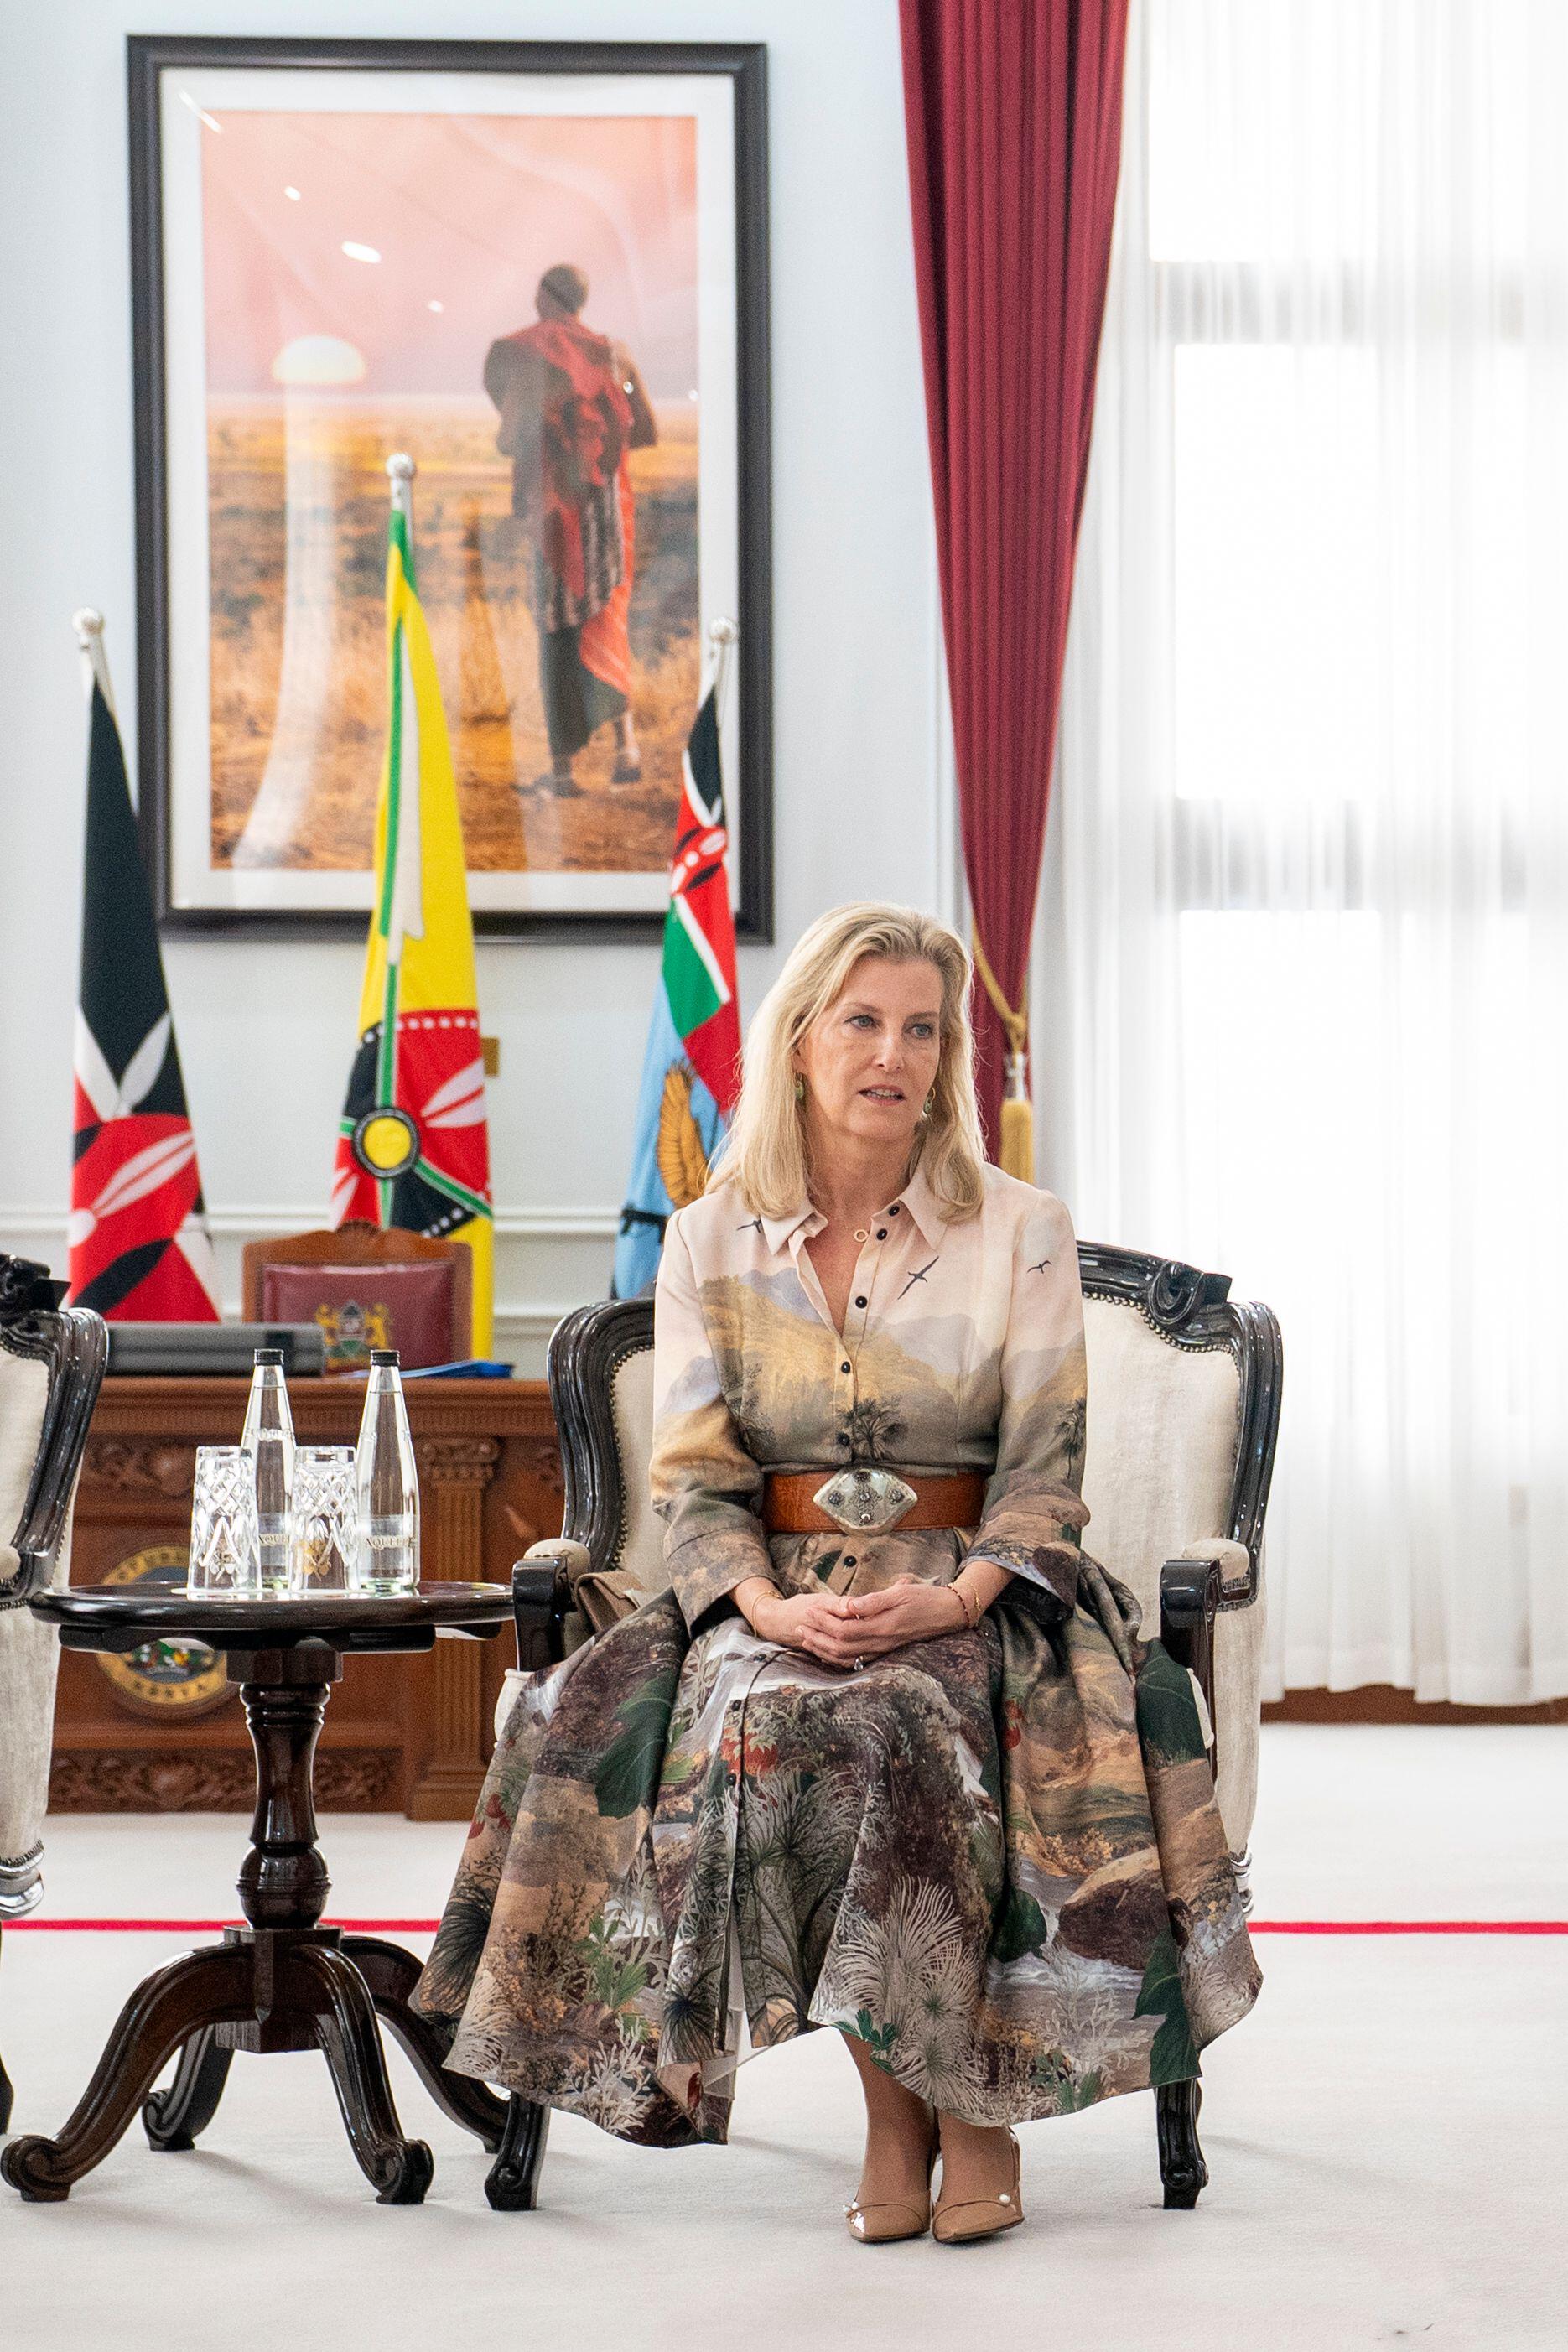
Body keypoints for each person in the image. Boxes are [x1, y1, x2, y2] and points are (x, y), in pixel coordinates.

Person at [413, 902, 1260, 2245]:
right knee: (768, 1719)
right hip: (772, 1579)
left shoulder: (1021, 1225)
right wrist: (761, 1605)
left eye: (923, 1029)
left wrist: (961, 1596)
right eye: (862, 1021)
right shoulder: (707, 1238)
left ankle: (969, 2104)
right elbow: (694, 1475)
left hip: (980, 1579)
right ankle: (896, 2104)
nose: (894, 1053)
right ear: (800, 1041)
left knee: (906, 1714)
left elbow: (1046, 1465)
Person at [483, 263, 657, 796]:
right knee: (605, 620)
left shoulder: (529, 354)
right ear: (582, 301)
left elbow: (510, 439)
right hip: (604, 508)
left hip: (558, 513)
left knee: (558, 630)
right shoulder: (615, 352)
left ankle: (562, 774)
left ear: (543, 296)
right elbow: (645, 430)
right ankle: (626, 749)